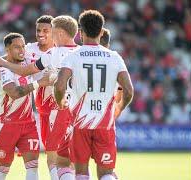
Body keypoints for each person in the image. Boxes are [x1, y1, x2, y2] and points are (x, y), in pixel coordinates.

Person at [0, 15, 79, 180]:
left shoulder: (53, 52)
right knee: (57, 156)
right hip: (47, 111)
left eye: (47, 30)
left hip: (59, 108)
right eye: (38, 30)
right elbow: (6, 58)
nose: (41, 33)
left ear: (57, 33)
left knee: (57, 156)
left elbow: (22, 70)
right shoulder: (28, 49)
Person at [54, 10, 134, 180]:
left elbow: (59, 85)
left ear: (80, 32)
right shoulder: (114, 57)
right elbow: (128, 90)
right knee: (106, 174)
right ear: (101, 31)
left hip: (80, 124)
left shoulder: (72, 56)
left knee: (81, 173)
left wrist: (61, 102)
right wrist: (119, 108)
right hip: (104, 124)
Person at [0, 32, 51, 180]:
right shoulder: (3, 70)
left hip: (28, 124)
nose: (22, 50)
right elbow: (14, 93)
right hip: (7, 124)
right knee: (3, 168)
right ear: (7, 49)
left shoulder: (26, 63)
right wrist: (39, 83)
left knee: (33, 166)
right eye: (17, 47)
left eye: (23, 46)